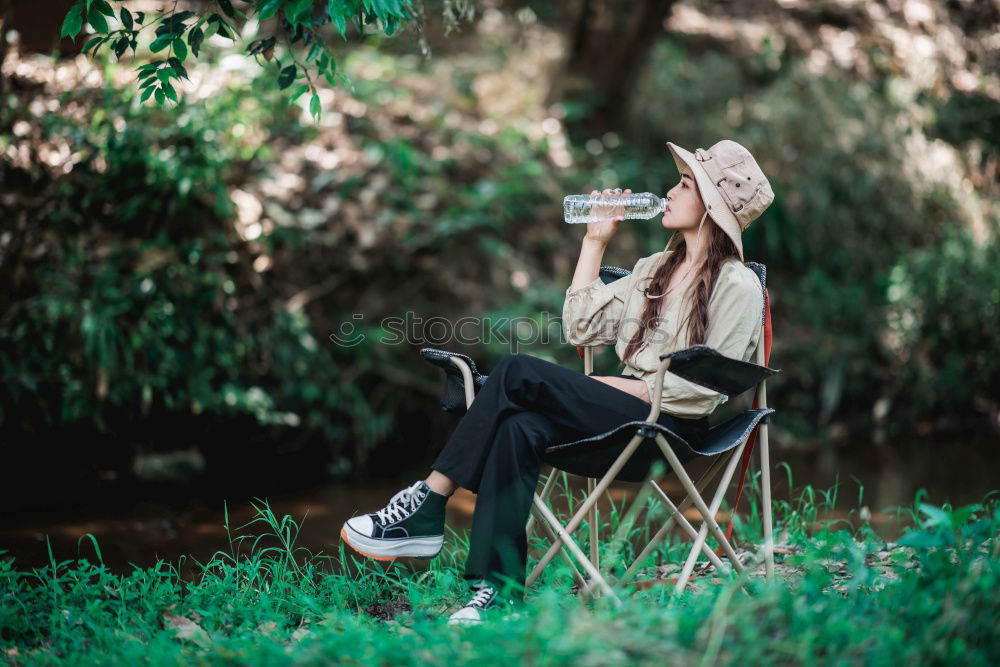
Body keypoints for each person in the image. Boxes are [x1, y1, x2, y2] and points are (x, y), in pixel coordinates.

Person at [340, 139, 775, 624]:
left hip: (670, 432)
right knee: (519, 424)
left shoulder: (736, 284)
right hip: (626, 417)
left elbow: (702, 392)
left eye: (685, 184)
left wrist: (626, 387)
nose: (670, 191)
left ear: (713, 207)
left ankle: (428, 502)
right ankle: (498, 590)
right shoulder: (655, 268)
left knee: (515, 372)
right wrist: (595, 241)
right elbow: (581, 327)